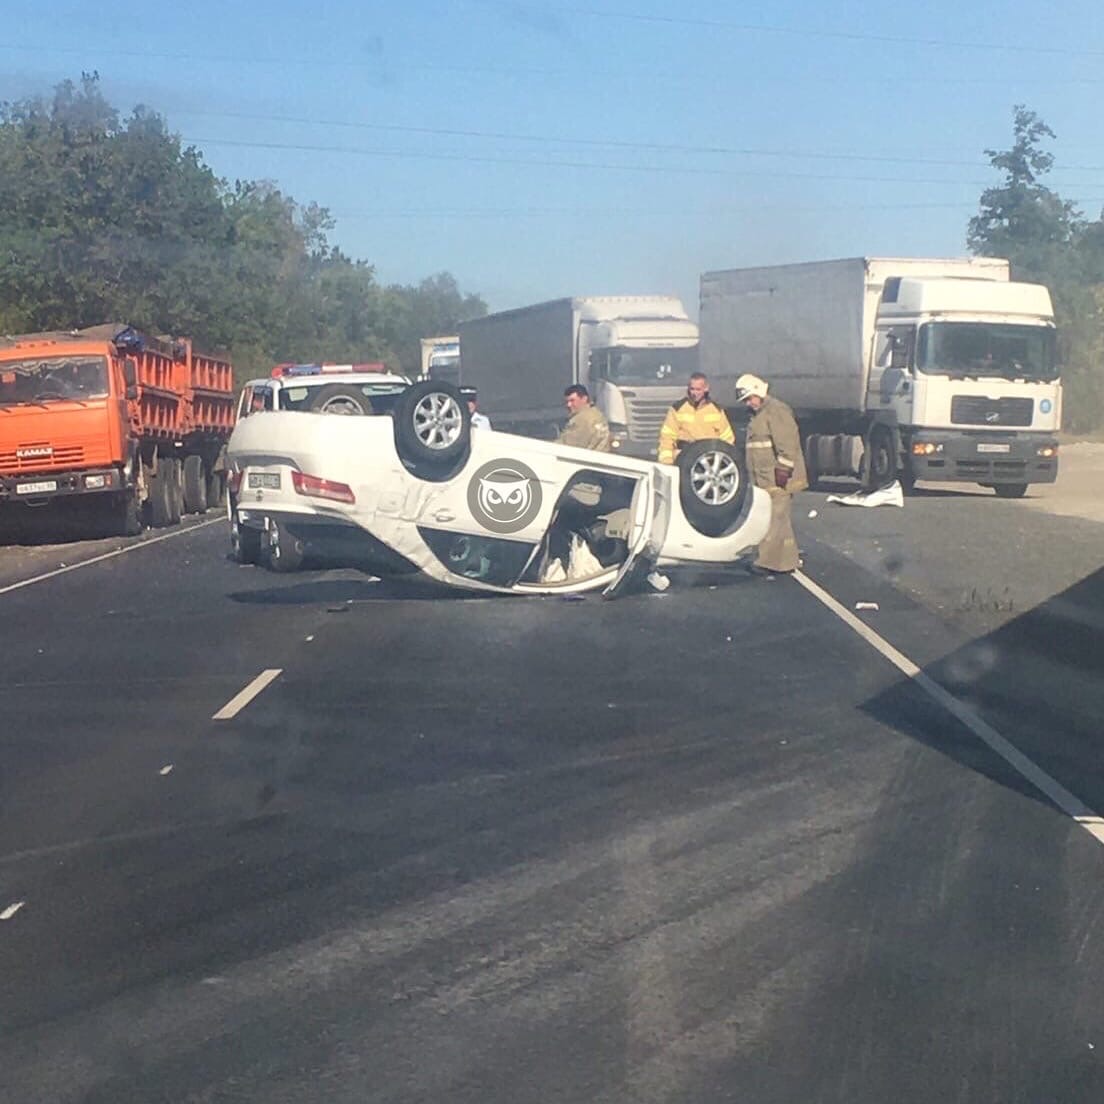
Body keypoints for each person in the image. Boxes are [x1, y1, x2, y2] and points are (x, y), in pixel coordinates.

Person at [735, 373, 808, 575]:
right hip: (764, 478)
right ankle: (786, 561)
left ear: (759, 392)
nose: (748, 403)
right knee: (781, 522)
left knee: (773, 520)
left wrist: (782, 473)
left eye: (749, 398)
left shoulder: (776, 411)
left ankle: (766, 562)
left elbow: (788, 446)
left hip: (776, 479)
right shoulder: (758, 415)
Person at [657, 372, 735, 464]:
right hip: (683, 458)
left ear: (706, 388)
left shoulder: (716, 410)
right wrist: (667, 461)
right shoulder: (678, 409)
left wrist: (723, 462)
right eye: (692, 389)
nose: (694, 393)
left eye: (698, 389)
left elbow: (728, 440)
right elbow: (667, 437)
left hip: (709, 461)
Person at [557, 384, 611, 452]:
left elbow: (565, 445)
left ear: (584, 399)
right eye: (567, 402)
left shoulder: (581, 419)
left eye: (572, 400)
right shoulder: (597, 415)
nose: (568, 405)